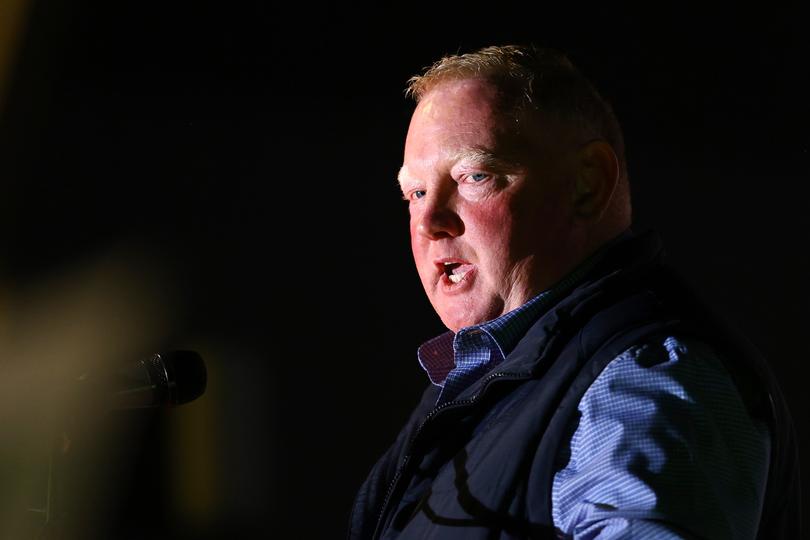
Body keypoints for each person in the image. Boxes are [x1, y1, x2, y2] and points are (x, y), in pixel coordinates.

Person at [348, 45, 800, 539]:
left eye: (474, 176)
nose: (429, 221)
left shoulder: (643, 372)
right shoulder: (480, 384)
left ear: (588, 184)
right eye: (414, 193)